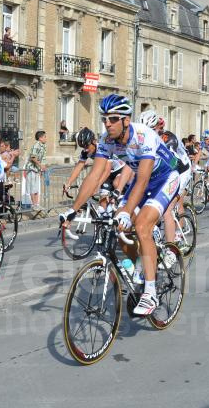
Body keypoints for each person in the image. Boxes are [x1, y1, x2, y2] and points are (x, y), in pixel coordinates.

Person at [60, 94, 182, 316]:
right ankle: (142, 266)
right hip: (141, 181)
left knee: (142, 225)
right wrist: (73, 209)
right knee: (118, 227)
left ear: (126, 120)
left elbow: (143, 179)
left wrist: (126, 211)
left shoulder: (144, 136)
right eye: (105, 118)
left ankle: (151, 292)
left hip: (165, 179)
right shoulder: (106, 140)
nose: (107, 123)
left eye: (113, 119)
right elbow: (95, 176)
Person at [25, 131, 47, 209]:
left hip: (37, 169)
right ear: (40, 138)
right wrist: (40, 165)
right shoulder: (36, 145)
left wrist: (42, 168)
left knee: (36, 187)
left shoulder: (43, 146)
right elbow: (33, 157)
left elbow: (43, 158)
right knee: (32, 187)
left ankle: (37, 204)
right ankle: (34, 204)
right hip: (31, 168)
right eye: (44, 137)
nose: (46, 138)